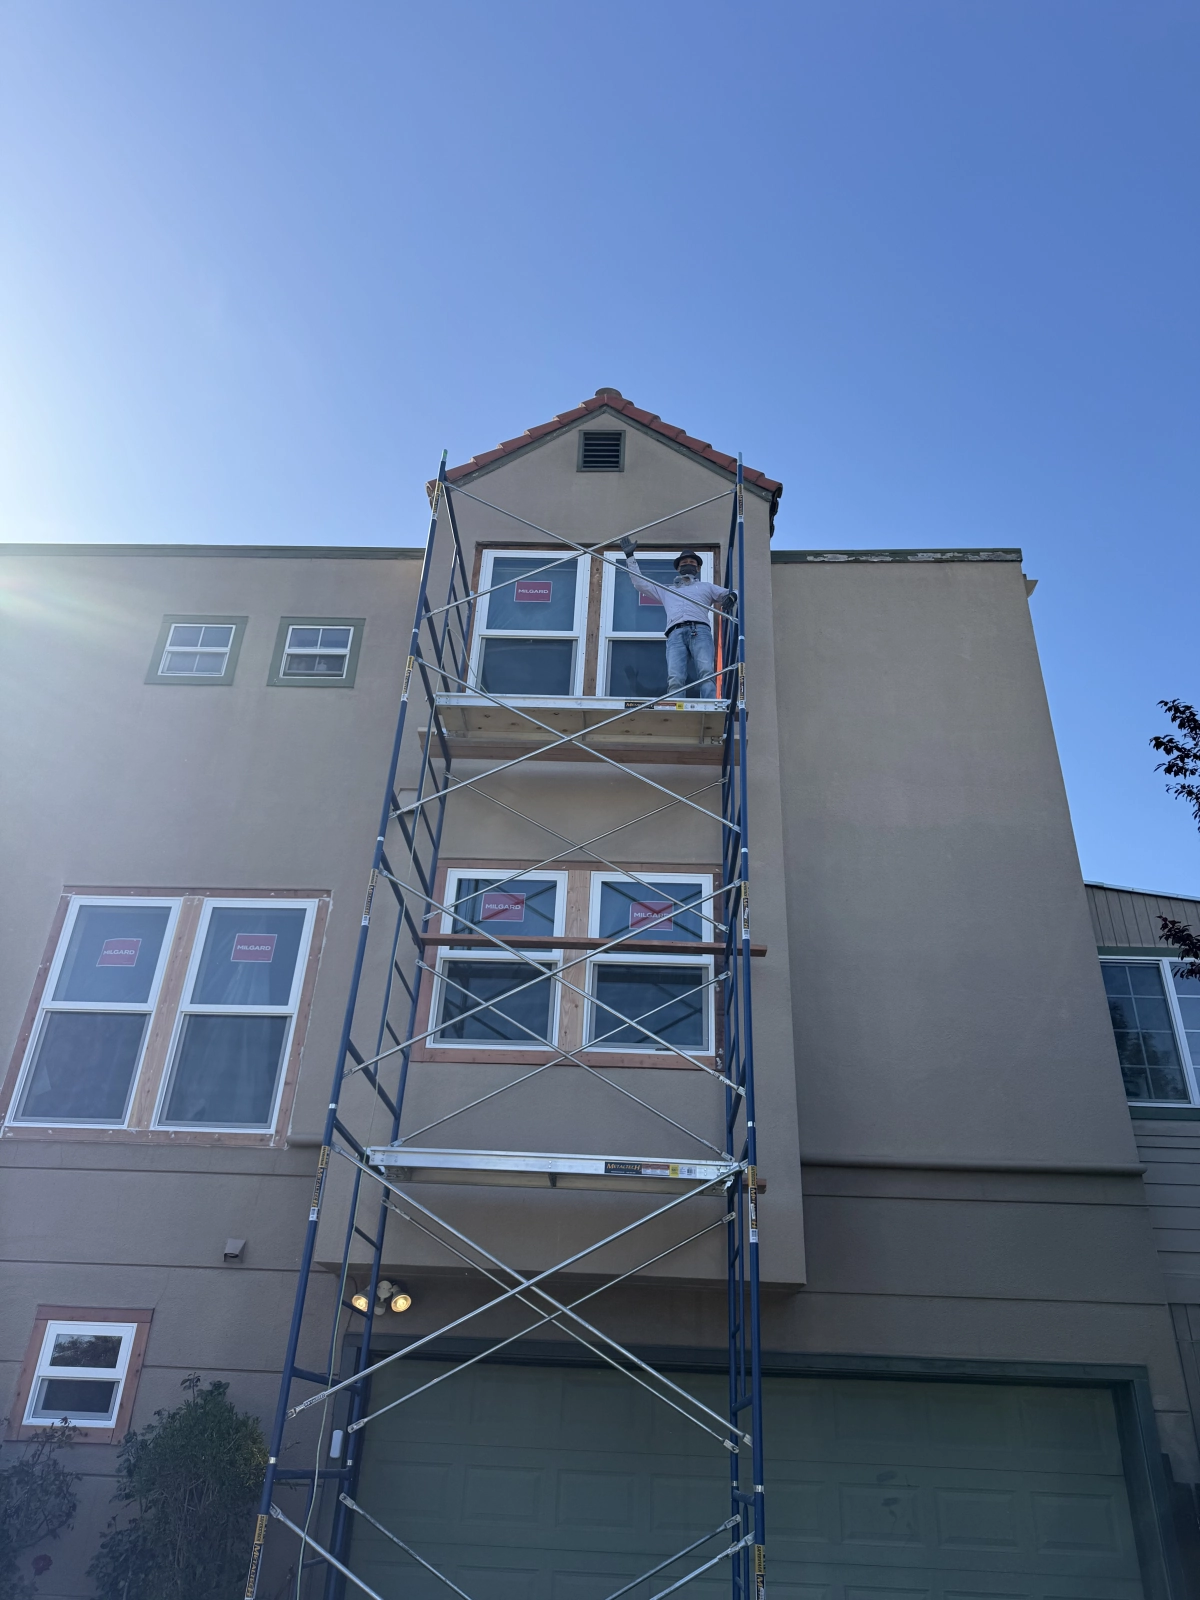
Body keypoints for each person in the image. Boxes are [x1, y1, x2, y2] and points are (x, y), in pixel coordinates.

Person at [618, 538, 734, 700]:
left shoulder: (706, 587)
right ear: (678, 568)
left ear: (698, 568)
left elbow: (731, 593)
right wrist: (630, 556)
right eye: (684, 562)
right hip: (675, 634)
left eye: (691, 562)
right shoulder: (668, 590)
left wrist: (732, 597)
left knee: (706, 672)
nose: (688, 564)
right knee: (675, 677)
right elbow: (640, 584)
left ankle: (709, 703)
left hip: (699, 631)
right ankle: (676, 705)